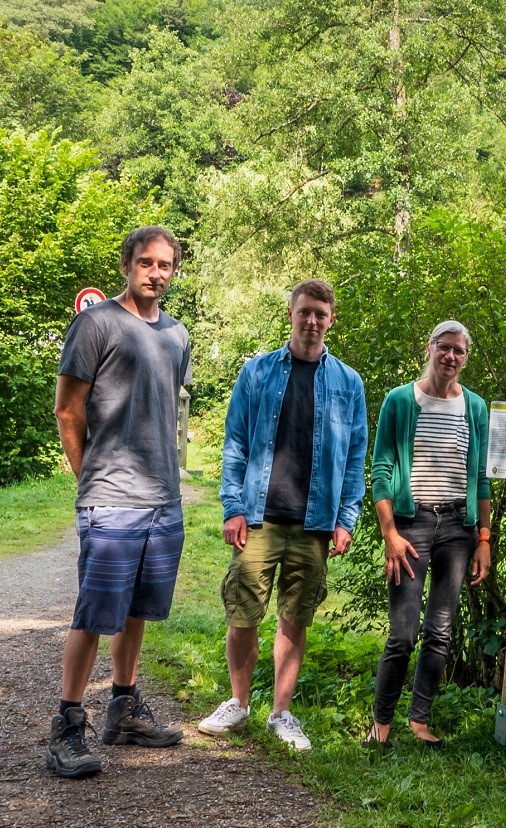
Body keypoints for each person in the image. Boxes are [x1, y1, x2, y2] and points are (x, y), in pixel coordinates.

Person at [47, 225, 192, 778]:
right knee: (94, 611)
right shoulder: (96, 323)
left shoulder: (177, 335)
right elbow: (68, 410)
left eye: (167, 264)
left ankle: (124, 708)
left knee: (137, 608)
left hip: (163, 497)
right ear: (128, 265)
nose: (157, 272)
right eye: (147, 262)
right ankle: (67, 725)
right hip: (111, 498)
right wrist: (91, 479)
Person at [200, 279, 368, 751]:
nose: (312, 320)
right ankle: (237, 703)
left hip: (315, 522)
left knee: (296, 620)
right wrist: (233, 507)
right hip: (259, 516)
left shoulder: (348, 383)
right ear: (291, 314)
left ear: (331, 319)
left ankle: (281, 712)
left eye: (321, 313)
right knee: (244, 613)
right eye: (304, 312)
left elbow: (355, 457)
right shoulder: (257, 372)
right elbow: (234, 443)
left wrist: (345, 519)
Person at [364, 321, 492, 749]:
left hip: (458, 528)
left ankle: (419, 720)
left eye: (459, 351)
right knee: (403, 633)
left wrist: (484, 539)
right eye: (444, 348)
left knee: (440, 630)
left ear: (465, 357)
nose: (451, 357)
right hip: (411, 523)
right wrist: (390, 534)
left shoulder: (474, 406)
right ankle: (380, 723)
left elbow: (481, 477)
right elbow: (380, 472)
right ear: (430, 348)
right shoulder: (400, 401)